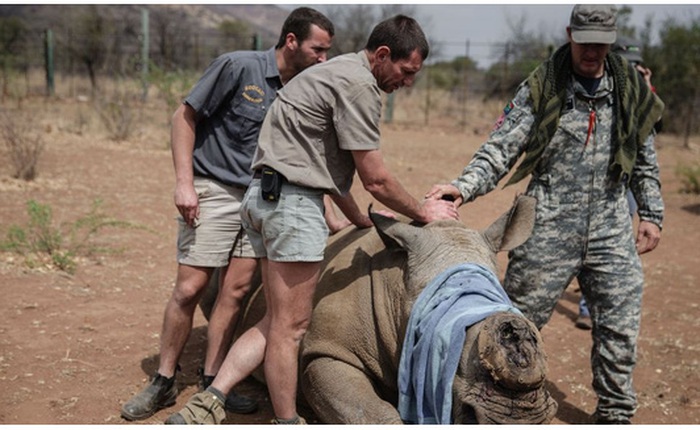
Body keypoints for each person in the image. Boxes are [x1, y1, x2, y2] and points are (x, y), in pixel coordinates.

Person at [164, 14, 459, 425]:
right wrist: (422, 211)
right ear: (383, 55)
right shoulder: (360, 86)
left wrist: (358, 219)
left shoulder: (333, 71)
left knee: (274, 321)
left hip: (262, 198)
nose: (407, 82)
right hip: (292, 206)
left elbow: (322, 159)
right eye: (406, 71)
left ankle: (209, 401)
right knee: (292, 329)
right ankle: (287, 421)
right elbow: (375, 178)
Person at [426, 4, 664, 424]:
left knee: (620, 326)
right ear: (570, 34)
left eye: (600, 43)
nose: (592, 51)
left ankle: (615, 414)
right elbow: (502, 146)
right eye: (584, 41)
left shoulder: (630, 91)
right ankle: (485, 406)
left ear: (611, 40)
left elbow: (644, 160)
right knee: (515, 325)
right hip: (548, 223)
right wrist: (463, 186)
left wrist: (651, 213)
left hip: (611, 225)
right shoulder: (544, 87)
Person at [120, 7, 335, 421]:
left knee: (234, 293)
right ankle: (164, 381)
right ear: (291, 41)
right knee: (190, 288)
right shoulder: (238, 66)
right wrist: (185, 182)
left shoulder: (303, 89)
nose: (323, 58)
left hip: (262, 200)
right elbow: (184, 117)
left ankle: (212, 382)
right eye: (318, 49)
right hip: (215, 190)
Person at [575, 34, 660, 330]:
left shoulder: (640, 92)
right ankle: (587, 307)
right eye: (628, 64)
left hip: (632, 181)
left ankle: (602, 306)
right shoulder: (600, 90)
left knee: (618, 242)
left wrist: (646, 87)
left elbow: (657, 124)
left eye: (638, 65)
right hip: (601, 184)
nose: (633, 70)